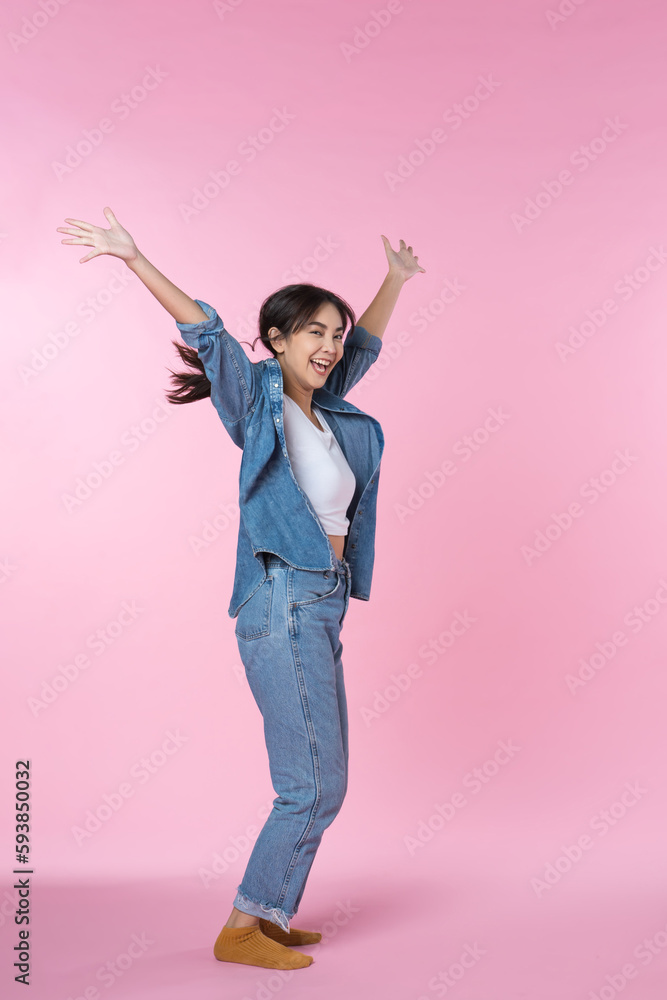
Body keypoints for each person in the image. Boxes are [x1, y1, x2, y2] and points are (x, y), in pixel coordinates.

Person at [57, 207, 425, 970]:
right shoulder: (258, 400)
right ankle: (241, 929)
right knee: (310, 782)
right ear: (278, 341)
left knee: (326, 779)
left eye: (335, 333)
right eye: (313, 332)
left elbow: (363, 349)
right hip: (282, 596)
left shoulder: (326, 410)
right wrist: (135, 257)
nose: (329, 346)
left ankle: (272, 912)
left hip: (320, 599)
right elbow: (211, 335)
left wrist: (390, 281)